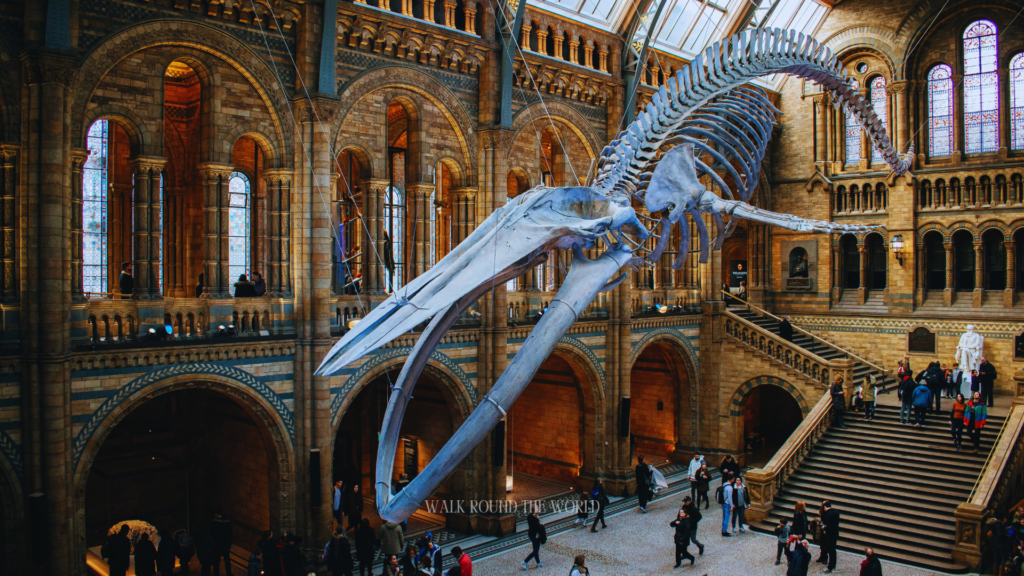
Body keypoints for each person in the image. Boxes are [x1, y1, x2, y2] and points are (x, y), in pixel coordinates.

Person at [211, 509, 234, 576]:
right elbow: (230, 532)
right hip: (226, 544)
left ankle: (216, 574)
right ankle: (229, 573)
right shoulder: (227, 521)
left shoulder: (214, 523)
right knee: (227, 560)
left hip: (217, 544)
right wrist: (230, 542)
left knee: (217, 561)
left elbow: (212, 534)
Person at [820, 501, 840, 573]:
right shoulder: (836, 512)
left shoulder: (827, 515)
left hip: (830, 535)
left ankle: (830, 566)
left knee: (830, 550)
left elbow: (829, 526)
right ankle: (833, 564)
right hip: (835, 533)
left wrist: (824, 528)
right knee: (833, 550)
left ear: (825, 507)